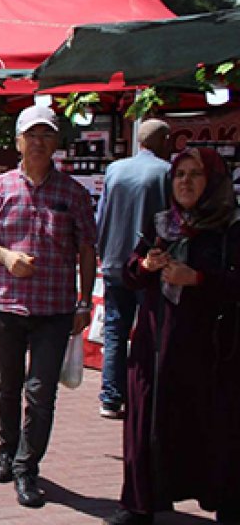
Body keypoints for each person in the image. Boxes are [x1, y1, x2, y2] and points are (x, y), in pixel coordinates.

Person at [0, 104, 96, 509]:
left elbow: (88, 250)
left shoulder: (73, 193)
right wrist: (5, 258)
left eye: (46, 135)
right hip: (7, 306)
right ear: (19, 141)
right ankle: (6, 451)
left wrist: (83, 301)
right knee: (7, 386)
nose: (38, 143)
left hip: (55, 311)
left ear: (56, 142)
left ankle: (27, 467)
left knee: (41, 393)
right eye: (32, 135)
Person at [104, 148, 240, 525]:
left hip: (212, 353)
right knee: (147, 423)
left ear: (212, 181)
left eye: (196, 174)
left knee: (215, 429)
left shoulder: (230, 227)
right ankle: (141, 504)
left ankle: (226, 503)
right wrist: (145, 265)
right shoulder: (162, 223)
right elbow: (131, 273)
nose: (185, 181)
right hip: (157, 346)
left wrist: (197, 279)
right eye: (180, 173)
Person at [95, 120, 171, 420]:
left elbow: (101, 215)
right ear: (163, 139)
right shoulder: (165, 172)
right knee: (151, 329)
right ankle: (146, 392)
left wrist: (103, 251)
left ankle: (111, 397)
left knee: (115, 330)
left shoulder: (115, 169)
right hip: (146, 264)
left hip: (114, 258)